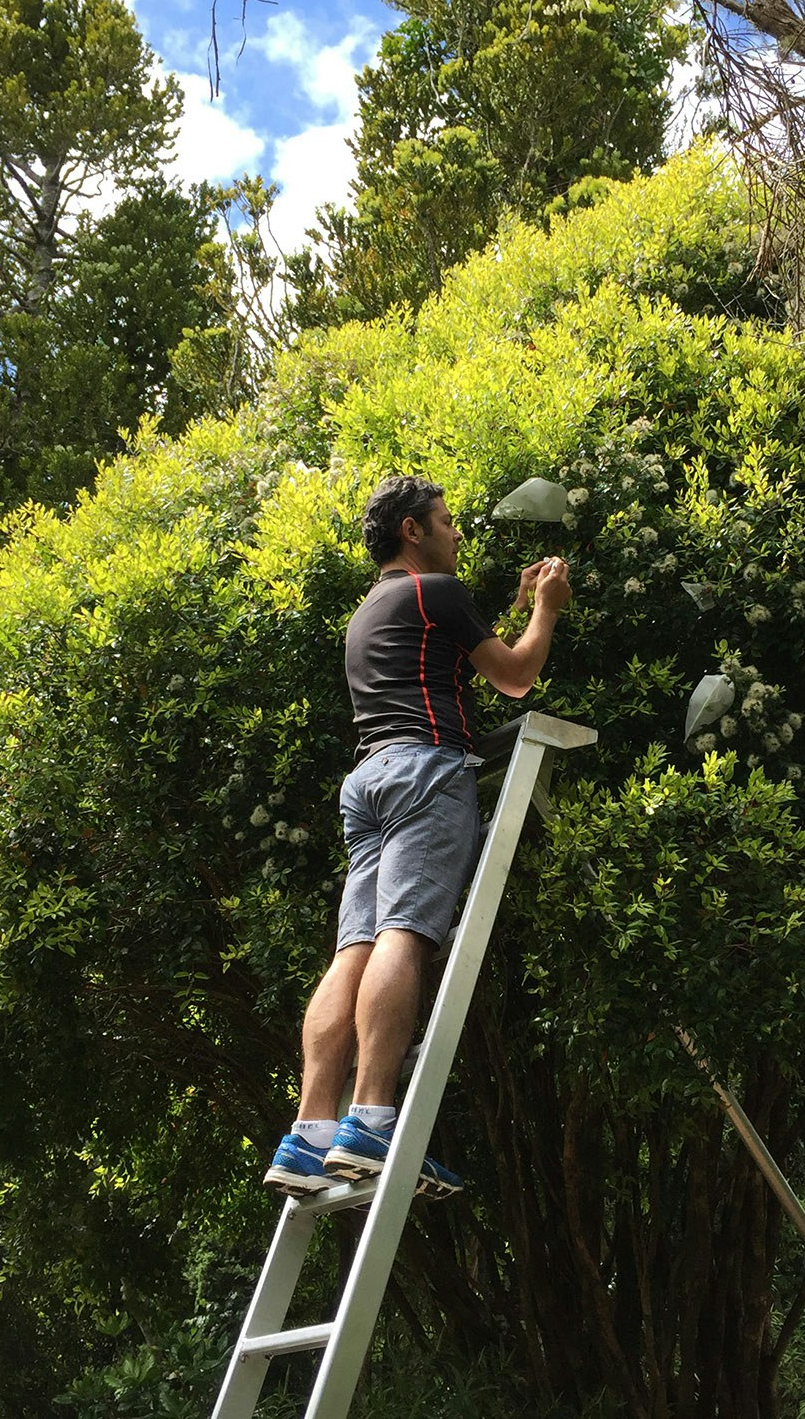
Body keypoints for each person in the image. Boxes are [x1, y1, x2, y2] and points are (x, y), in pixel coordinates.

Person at [263, 476, 573, 1197]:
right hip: (424, 774)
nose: (458, 533)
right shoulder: (437, 594)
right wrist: (548, 613)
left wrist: (514, 610)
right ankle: (370, 1124)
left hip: (367, 782)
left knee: (354, 949)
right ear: (413, 530)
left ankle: (310, 1135)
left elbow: (441, 655)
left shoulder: (371, 612)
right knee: (406, 933)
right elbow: (517, 677)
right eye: (447, 521)